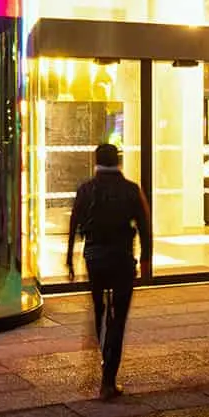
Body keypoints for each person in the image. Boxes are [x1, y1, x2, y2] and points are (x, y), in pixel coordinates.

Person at [67, 142, 152, 400]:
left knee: (99, 308)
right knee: (118, 317)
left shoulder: (86, 189)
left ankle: (102, 344)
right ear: (118, 161)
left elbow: (74, 222)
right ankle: (108, 380)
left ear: (96, 162)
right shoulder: (131, 190)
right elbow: (145, 226)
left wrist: (69, 259)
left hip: (94, 258)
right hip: (122, 259)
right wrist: (146, 260)